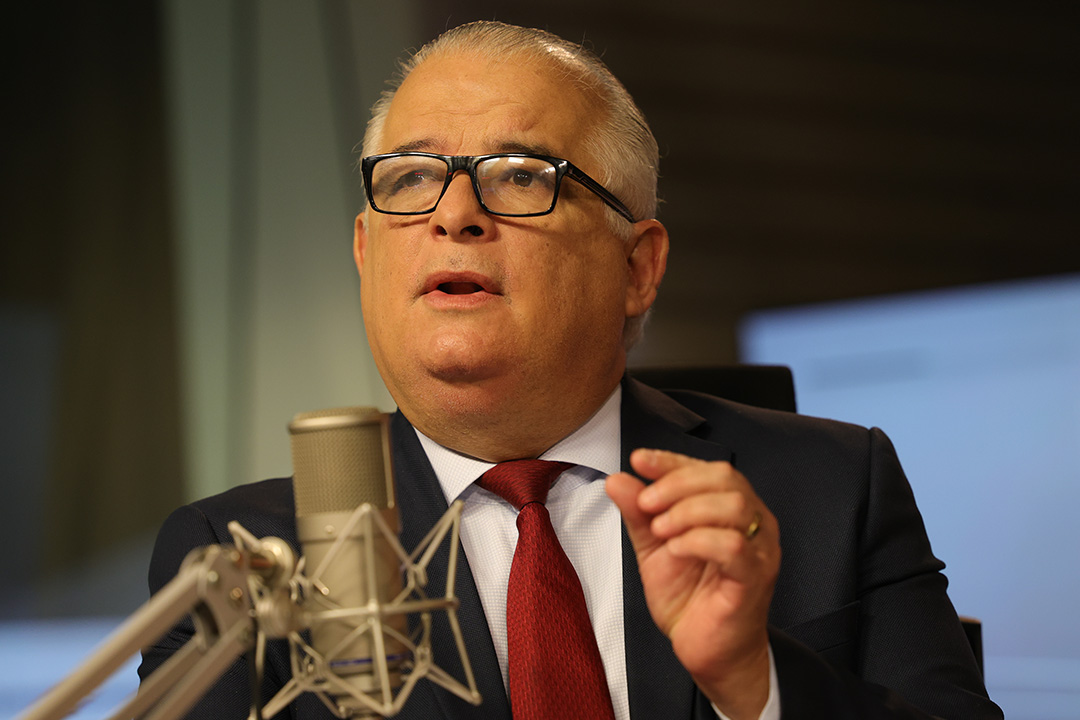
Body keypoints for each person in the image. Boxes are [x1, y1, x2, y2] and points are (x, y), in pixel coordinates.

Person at [141, 21, 1002, 720]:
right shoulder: (242, 562)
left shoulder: (833, 490)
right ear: (367, 254)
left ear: (638, 268)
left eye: (521, 176)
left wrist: (757, 685)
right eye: (410, 177)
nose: (454, 213)